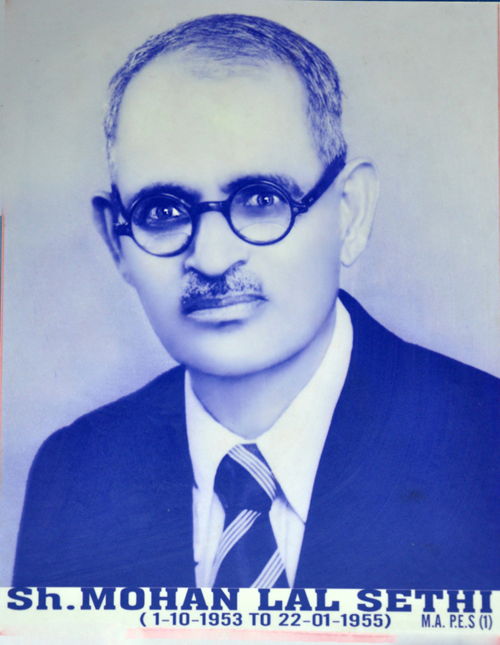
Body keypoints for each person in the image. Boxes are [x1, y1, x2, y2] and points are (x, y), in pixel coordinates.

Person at [13, 13, 499, 589]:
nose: (212, 259)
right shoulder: (73, 474)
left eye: (262, 199)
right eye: (162, 211)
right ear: (116, 241)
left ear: (350, 214)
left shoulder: (485, 445)